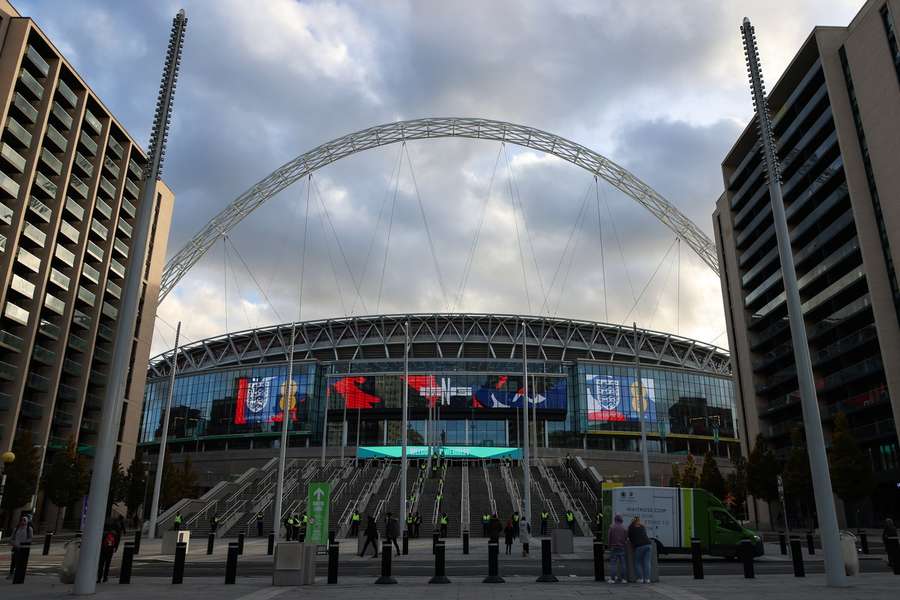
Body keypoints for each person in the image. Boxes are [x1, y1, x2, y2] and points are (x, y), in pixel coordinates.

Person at [7, 515, 32, 580]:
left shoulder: (29, 529)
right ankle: (11, 573)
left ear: (27, 521)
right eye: (21, 520)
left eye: (24, 520)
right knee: (13, 561)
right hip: (16, 547)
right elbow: (11, 538)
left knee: (21, 562)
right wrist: (14, 543)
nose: (23, 522)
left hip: (24, 548)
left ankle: (19, 574)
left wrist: (23, 543)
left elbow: (30, 539)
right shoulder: (16, 529)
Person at [628, 516, 652, 584]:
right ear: (639, 521)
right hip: (648, 544)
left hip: (639, 546)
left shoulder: (631, 528)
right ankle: (647, 579)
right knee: (647, 562)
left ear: (632, 521)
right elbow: (645, 535)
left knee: (637, 562)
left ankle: (640, 578)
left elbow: (630, 538)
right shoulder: (642, 526)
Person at [607, 514, 627, 584]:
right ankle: (623, 579)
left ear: (615, 519)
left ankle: (612, 578)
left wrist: (609, 546)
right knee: (622, 564)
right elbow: (625, 538)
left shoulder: (611, 527)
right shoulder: (624, 528)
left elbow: (609, 538)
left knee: (613, 564)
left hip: (613, 547)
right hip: (621, 547)